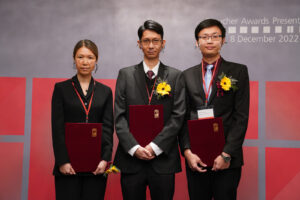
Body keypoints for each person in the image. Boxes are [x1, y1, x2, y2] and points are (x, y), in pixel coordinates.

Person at [113, 20, 185, 200]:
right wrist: (134, 147)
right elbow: (119, 116)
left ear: (163, 43)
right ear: (139, 44)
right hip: (131, 159)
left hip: (163, 160)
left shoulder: (176, 76)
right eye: (146, 41)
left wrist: (155, 147)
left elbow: (178, 116)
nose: (151, 45)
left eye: (155, 40)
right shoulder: (125, 74)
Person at [179, 19, 250, 200]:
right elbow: (182, 117)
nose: (209, 41)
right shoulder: (186, 75)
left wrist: (226, 154)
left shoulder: (238, 71)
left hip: (227, 159)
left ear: (223, 40)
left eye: (214, 36)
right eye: (204, 37)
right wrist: (187, 152)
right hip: (196, 159)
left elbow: (241, 117)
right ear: (197, 42)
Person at [51, 39, 114, 200]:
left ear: (96, 60)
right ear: (74, 59)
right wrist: (62, 161)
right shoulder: (61, 89)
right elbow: (57, 129)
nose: (85, 62)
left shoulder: (105, 92)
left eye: (90, 57)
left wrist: (104, 160)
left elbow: (108, 129)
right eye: (80, 57)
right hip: (68, 166)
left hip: (96, 167)